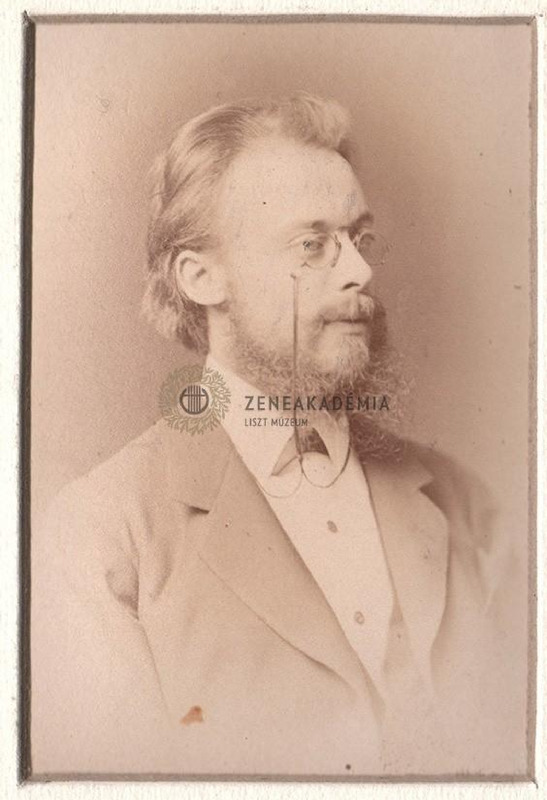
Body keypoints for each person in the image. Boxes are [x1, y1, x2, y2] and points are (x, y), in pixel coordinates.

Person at [31, 93, 527, 778]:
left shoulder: (466, 503)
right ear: (201, 277)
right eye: (311, 245)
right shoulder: (104, 533)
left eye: (358, 239)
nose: (359, 272)